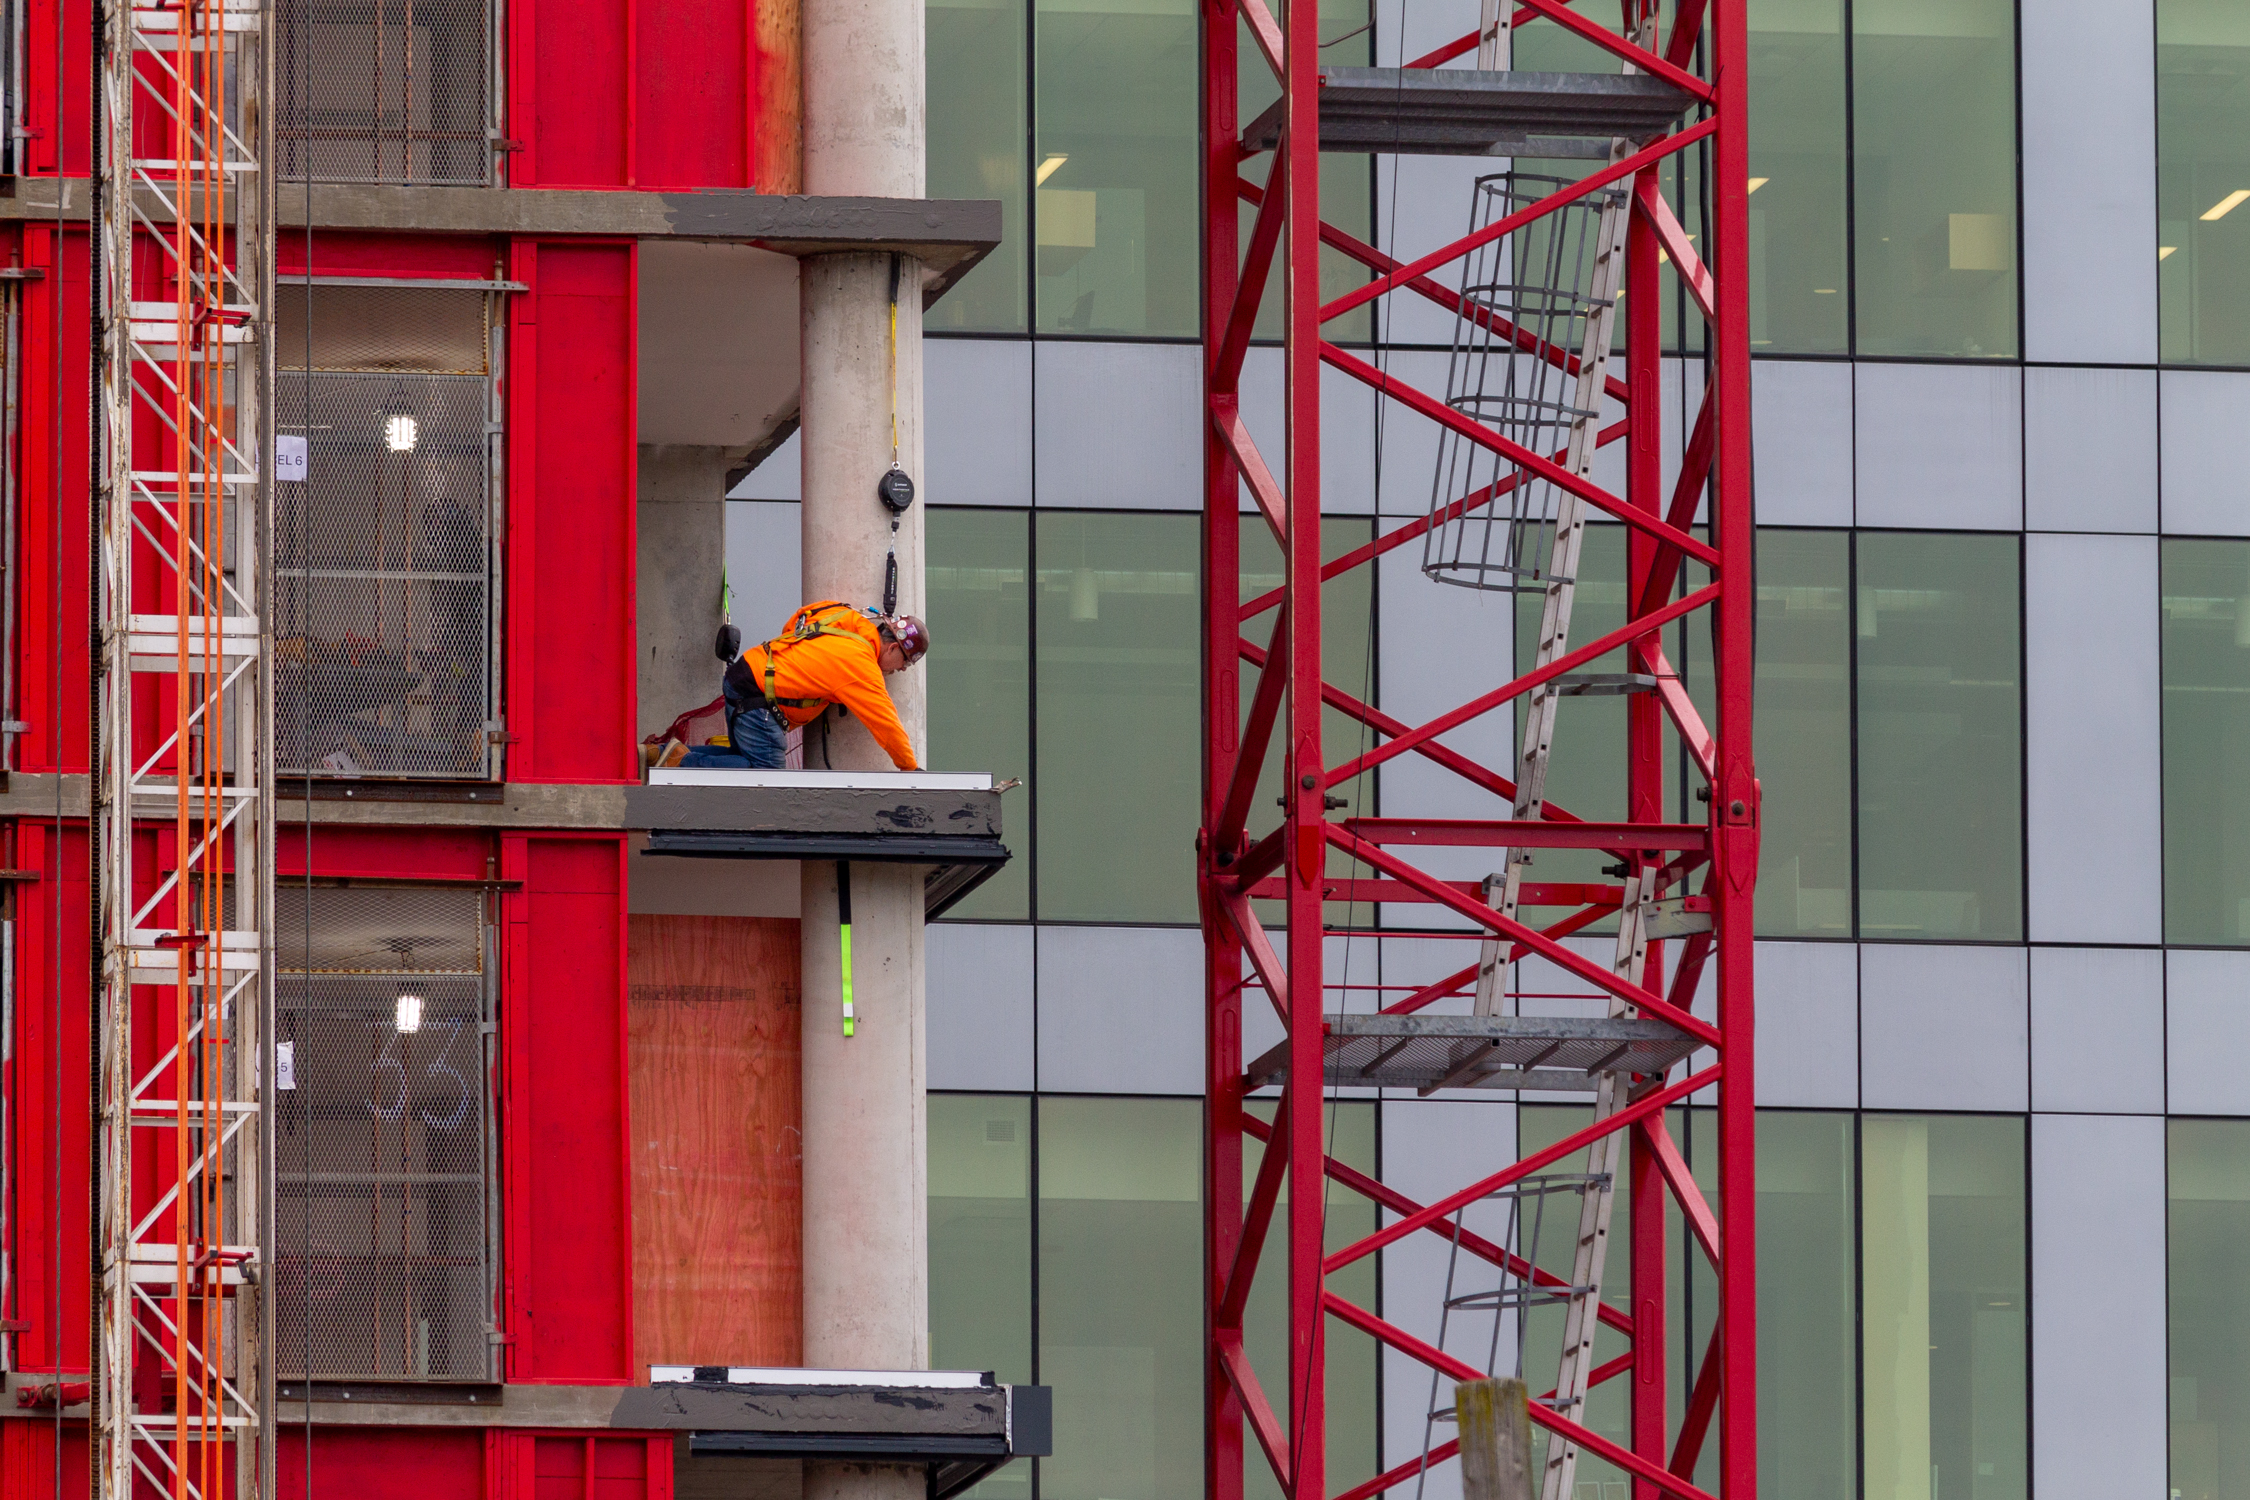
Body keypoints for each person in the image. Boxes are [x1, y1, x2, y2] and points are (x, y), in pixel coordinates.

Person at [685, 601, 928, 771]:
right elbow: (884, 721)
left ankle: (665, 754)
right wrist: (910, 767)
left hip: (748, 672)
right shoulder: (860, 664)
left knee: (742, 761)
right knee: (765, 778)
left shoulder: (848, 620)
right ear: (894, 647)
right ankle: (678, 764)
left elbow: (797, 621)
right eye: (903, 664)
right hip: (758, 698)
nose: (899, 670)